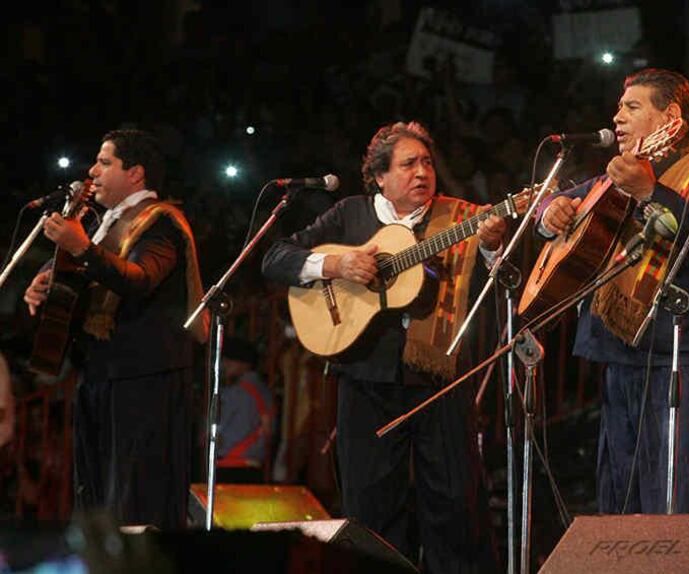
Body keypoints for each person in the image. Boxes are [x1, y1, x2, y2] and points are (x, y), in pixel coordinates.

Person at [262, 121, 502, 573]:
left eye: (427, 162)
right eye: (408, 164)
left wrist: (491, 246)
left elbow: (497, 284)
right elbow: (275, 258)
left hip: (440, 379)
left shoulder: (459, 216)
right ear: (379, 176)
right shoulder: (350, 214)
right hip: (365, 378)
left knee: (456, 504)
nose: (422, 172)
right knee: (370, 507)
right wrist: (336, 264)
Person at [537, 68, 689, 514]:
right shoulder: (619, 174)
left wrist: (651, 191)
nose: (617, 117)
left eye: (632, 107)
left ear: (670, 116)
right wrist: (551, 211)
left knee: (680, 503)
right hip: (622, 355)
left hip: (688, 358)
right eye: (619, 107)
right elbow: (550, 203)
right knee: (623, 503)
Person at [23, 129, 208, 529]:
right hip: (99, 374)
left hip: (144, 379)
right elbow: (83, 276)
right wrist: (44, 282)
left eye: (105, 163)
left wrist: (81, 248)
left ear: (135, 173)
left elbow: (139, 278)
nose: (92, 172)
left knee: (135, 497)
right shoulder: (99, 223)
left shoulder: (161, 222)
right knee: (95, 497)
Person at [216, 336, 274, 483]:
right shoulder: (264, 390)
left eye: (229, 360)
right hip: (255, 465)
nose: (224, 364)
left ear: (244, 363)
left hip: (232, 465)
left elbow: (221, 432)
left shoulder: (238, 393)